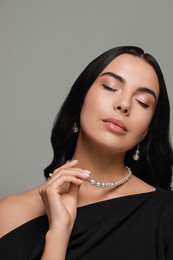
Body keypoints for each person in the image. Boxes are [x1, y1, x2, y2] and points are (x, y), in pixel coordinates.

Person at [0, 46, 173, 260]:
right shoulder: (9, 215)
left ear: (145, 131)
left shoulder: (166, 215)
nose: (124, 105)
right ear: (80, 99)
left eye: (143, 102)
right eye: (110, 87)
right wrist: (58, 233)